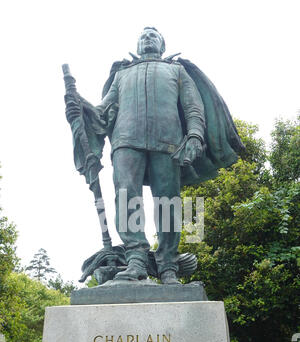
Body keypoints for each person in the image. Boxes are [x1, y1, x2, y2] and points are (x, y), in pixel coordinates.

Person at [65, 27, 244, 284]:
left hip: (168, 143)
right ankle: (136, 259)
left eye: (153, 35)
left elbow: (194, 107)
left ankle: (168, 266)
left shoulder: (176, 71)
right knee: (127, 196)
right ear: (138, 45)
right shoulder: (122, 74)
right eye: (143, 36)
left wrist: (194, 135)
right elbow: (102, 112)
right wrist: (80, 107)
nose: (147, 37)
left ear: (162, 44)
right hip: (125, 142)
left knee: (168, 202)